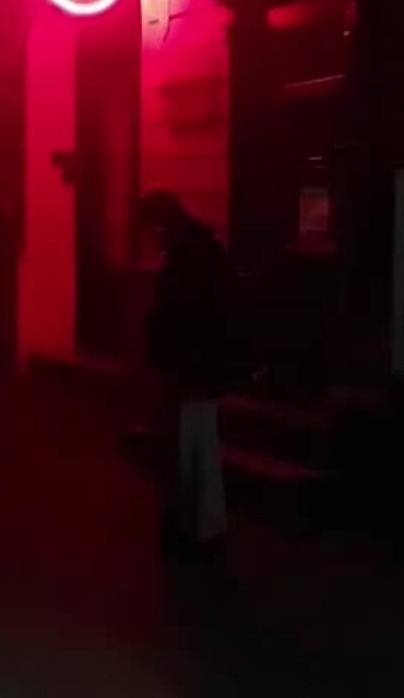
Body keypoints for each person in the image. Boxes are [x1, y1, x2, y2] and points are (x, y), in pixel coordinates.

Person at [139, 190, 233, 555]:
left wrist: (162, 339)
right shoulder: (197, 251)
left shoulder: (189, 257)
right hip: (192, 363)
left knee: (185, 444)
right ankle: (195, 524)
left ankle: (188, 525)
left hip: (188, 363)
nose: (152, 236)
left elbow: (185, 313)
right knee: (193, 443)